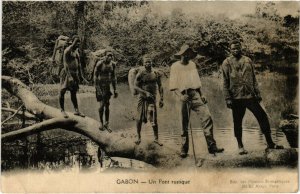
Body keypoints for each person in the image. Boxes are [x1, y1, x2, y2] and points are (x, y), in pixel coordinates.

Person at [221, 40, 284, 155]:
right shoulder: (226, 63)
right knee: (237, 122)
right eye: (233, 48)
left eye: (237, 48)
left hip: (250, 96)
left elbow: (254, 78)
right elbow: (225, 82)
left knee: (262, 116)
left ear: (241, 48)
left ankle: (270, 143)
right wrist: (227, 98)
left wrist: (258, 93)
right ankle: (240, 146)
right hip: (236, 98)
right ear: (230, 50)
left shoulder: (247, 60)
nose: (236, 50)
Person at [169, 45, 224, 158]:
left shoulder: (192, 65)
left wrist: (202, 94)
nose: (189, 56)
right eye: (187, 53)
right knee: (183, 123)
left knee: (207, 117)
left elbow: (196, 82)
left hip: (194, 94)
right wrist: (181, 96)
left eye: (190, 53)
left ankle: (211, 146)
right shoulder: (175, 66)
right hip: (182, 95)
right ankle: (184, 148)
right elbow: (173, 86)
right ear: (182, 54)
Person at [134, 55, 164, 146]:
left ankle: (156, 139)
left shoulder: (156, 73)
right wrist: (144, 92)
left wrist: (162, 98)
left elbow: (160, 86)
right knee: (139, 118)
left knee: (153, 119)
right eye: (146, 62)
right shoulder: (141, 73)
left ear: (152, 63)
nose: (148, 63)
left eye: (149, 62)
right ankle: (138, 137)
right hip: (142, 98)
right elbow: (135, 86)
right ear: (143, 64)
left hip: (152, 99)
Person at [59, 35, 87, 118]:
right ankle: (62, 110)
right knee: (62, 91)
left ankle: (76, 110)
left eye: (79, 42)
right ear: (72, 42)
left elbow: (79, 65)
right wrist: (69, 76)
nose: (78, 44)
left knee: (73, 92)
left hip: (75, 74)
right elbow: (65, 64)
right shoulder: (67, 50)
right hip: (67, 73)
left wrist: (80, 75)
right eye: (76, 42)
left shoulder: (76, 51)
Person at [94, 50, 118, 132]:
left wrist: (115, 89)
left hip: (107, 87)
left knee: (107, 105)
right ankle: (101, 122)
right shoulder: (100, 63)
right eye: (108, 55)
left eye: (111, 55)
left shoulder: (113, 64)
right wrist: (97, 88)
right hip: (100, 86)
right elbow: (95, 76)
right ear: (105, 56)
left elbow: (114, 77)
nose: (110, 57)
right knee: (102, 105)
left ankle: (107, 123)